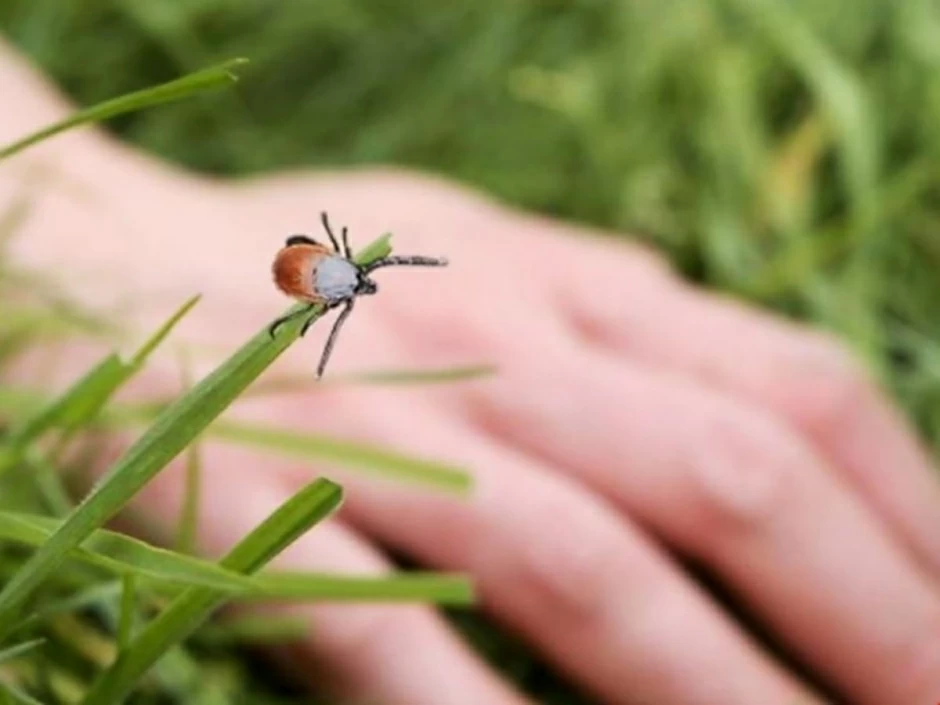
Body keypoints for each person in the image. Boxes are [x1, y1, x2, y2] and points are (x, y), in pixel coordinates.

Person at [2, 39, 940, 705]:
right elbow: (311, 278)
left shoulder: (327, 276)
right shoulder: (318, 281)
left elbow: (318, 276)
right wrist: (49, 240)